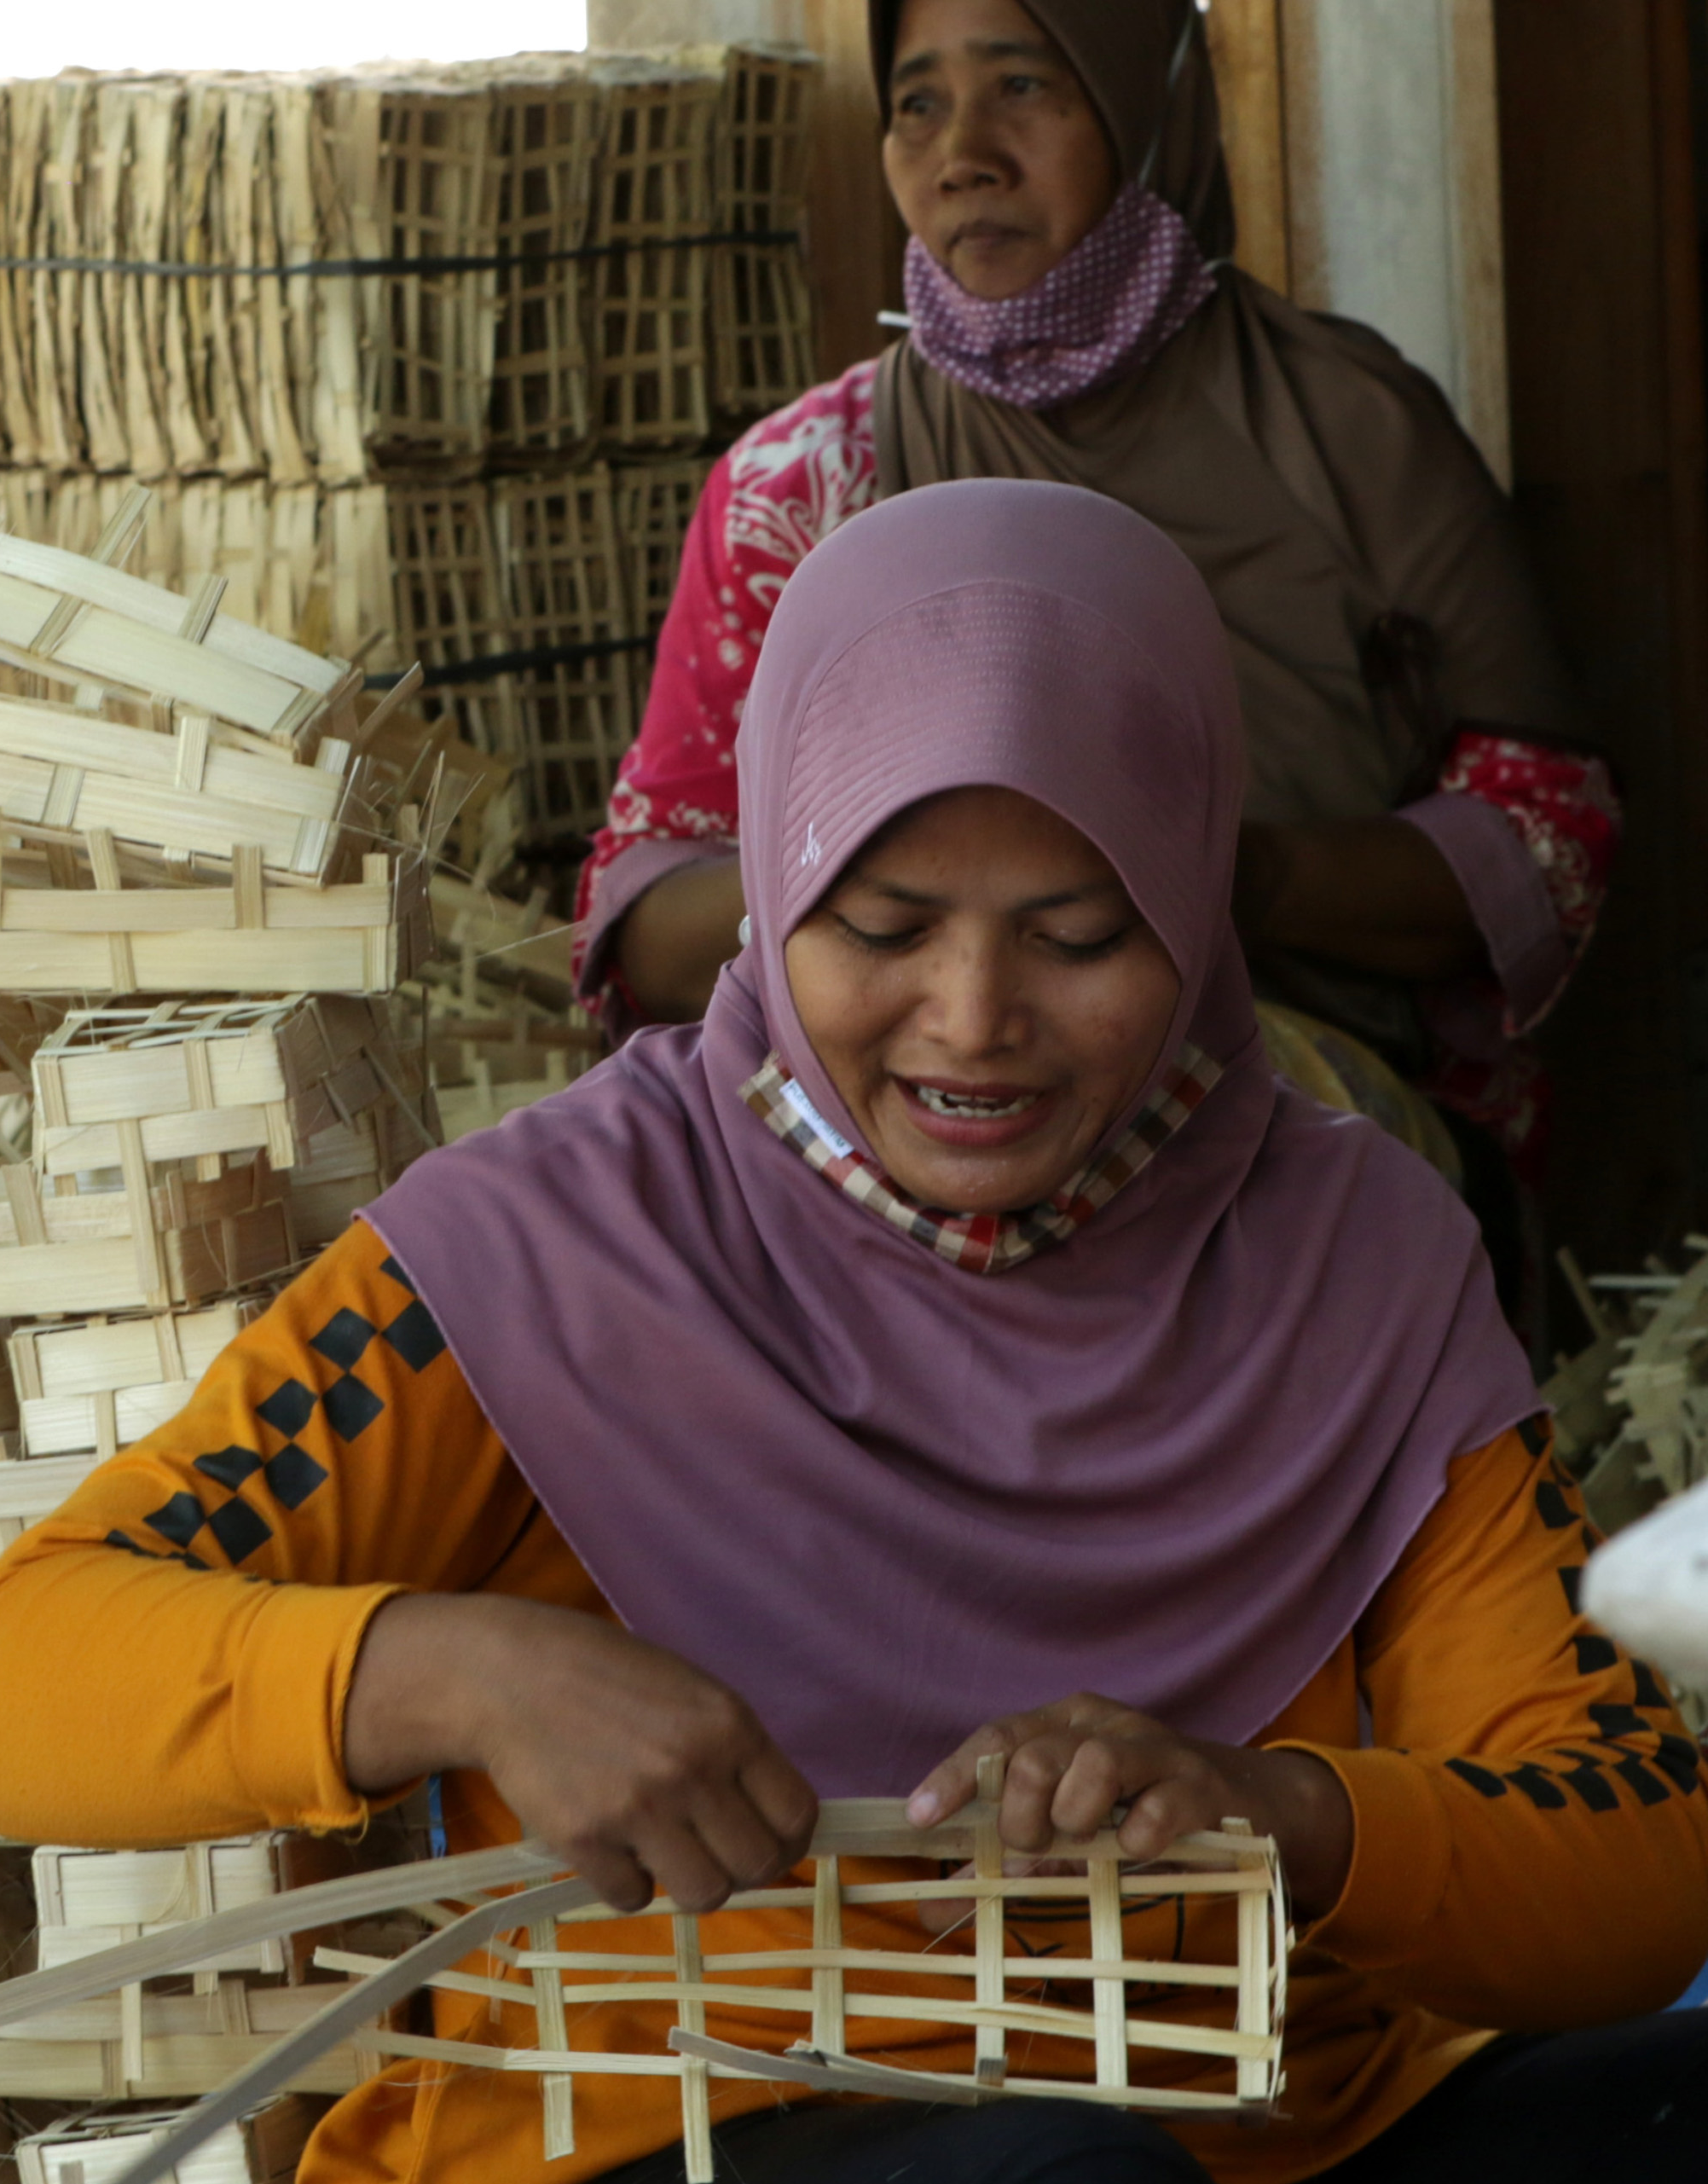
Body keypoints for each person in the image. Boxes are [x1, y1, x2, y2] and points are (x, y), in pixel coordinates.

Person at [0, 482, 1708, 2184]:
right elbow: (1, 1671)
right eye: (880, 922)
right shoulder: (531, 1260)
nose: (970, 1014)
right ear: (767, 888)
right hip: (680, 2143)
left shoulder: (1349, 1258)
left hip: (1265, 2123)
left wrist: (1280, 1809)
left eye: (1078, 933)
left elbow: (1630, 1843)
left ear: (1190, 891)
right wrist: (451, 1669)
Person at [576, 0, 1610, 1258]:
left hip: (1294, 1091)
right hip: (875, 1118)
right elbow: (641, 915)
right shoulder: (804, 487)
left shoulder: (1352, 433)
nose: (963, 152)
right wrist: (876, 909)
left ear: (1151, 110)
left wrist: (1204, 877)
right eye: (917, 103)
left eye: (1023, 86)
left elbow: (1542, 838)